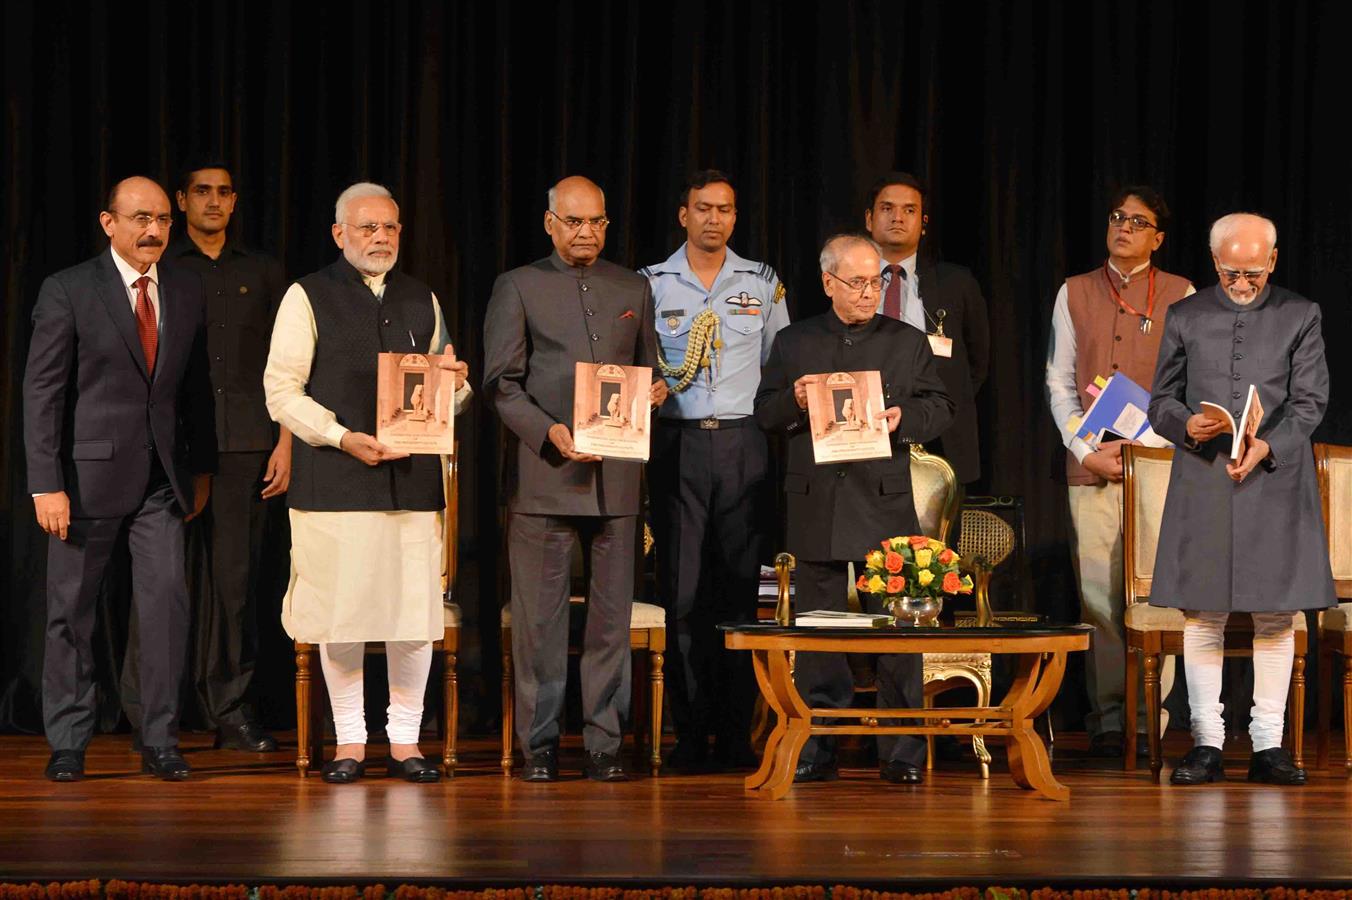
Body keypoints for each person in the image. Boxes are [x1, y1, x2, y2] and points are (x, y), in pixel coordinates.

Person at [263, 182, 471, 784]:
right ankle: (350, 741)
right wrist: (341, 436)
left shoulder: (421, 297)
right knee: (342, 618)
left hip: (411, 485)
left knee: (413, 617)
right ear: (339, 234)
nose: (380, 238)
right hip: (333, 485)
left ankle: (405, 740)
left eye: (390, 228)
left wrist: (456, 383)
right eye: (366, 228)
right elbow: (281, 391)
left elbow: (449, 395)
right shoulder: (306, 296)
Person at [24, 176, 216, 781]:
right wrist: (44, 482)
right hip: (82, 483)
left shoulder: (185, 287)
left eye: (161, 218)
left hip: (162, 480)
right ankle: (69, 741)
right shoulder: (70, 290)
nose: (153, 229)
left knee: (165, 609)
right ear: (110, 223)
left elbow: (195, 392)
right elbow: (43, 393)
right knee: (72, 612)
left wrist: (201, 468)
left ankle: (158, 739)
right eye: (140, 218)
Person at [484, 175, 668, 783]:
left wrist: (656, 392)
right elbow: (501, 385)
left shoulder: (631, 287)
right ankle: (538, 745)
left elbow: (648, 368)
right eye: (574, 222)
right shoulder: (518, 286)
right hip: (546, 479)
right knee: (540, 623)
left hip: (617, 482)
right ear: (550, 222)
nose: (586, 232)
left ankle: (603, 744)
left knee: (610, 624)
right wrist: (548, 432)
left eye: (596, 223)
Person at [754, 234, 953, 784]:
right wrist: (795, 401)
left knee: (897, 632)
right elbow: (764, 413)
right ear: (828, 283)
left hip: (882, 501)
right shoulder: (795, 341)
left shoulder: (906, 341)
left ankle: (903, 752)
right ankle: (819, 747)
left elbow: (941, 408)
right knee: (819, 632)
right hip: (816, 500)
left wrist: (900, 418)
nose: (870, 293)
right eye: (858, 282)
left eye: (877, 282)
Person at [1149, 213, 1334, 787]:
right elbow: (1160, 401)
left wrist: (1266, 445)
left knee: (1275, 615)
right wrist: (1188, 425)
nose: (1243, 283)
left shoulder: (1300, 314)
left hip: (1273, 478)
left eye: (1253, 272)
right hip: (1205, 478)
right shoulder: (1185, 314)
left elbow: (1310, 402)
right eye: (1232, 272)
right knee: (1203, 613)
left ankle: (1268, 745)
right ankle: (1205, 742)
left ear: (1272, 262)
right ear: (1215, 263)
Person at [125, 161, 289, 753]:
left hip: (248, 443)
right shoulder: (158, 269)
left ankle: (231, 707)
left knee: (236, 584)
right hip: (168, 448)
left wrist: (287, 441)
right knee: (159, 582)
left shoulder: (265, 272)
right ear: (181, 201)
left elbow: (291, 365)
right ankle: (148, 713)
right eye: (201, 192)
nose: (213, 201)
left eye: (223, 192)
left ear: (235, 201)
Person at [639, 170, 790, 772]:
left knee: (737, 592)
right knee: (679, 593)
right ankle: (688, 729)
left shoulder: (763, 282)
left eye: (725, 210)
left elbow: (780, 367)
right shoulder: (650, 283)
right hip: (676, 443)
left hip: (742, 444)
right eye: (702, 208)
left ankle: (734, 732)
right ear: (683, 215)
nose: (714, 219)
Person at [1044, 185, 1193, 757]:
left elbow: (1188, 388)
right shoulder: (1074, 291)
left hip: (1159, 468)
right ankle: (1109, 722)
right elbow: (1058, 381)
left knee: (1160, 597)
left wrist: (1145, 445)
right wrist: (1085, 449)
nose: (1124, 227)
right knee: (1099, 598)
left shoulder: (1182, 294)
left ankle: (1148, 721)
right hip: (1092, 467)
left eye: (1138, 221)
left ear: (1157, 237)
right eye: (1117, 217)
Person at [864, 172, 988, 485]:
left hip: (938, 432)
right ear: (869, 219)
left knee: (935, 534)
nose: (898, 218)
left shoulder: (956, 283)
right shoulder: (845, 280)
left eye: (909, 210)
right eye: (887, 208)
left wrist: (933, 408)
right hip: (865, 428)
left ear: (923, 222)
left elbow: (976, 363)